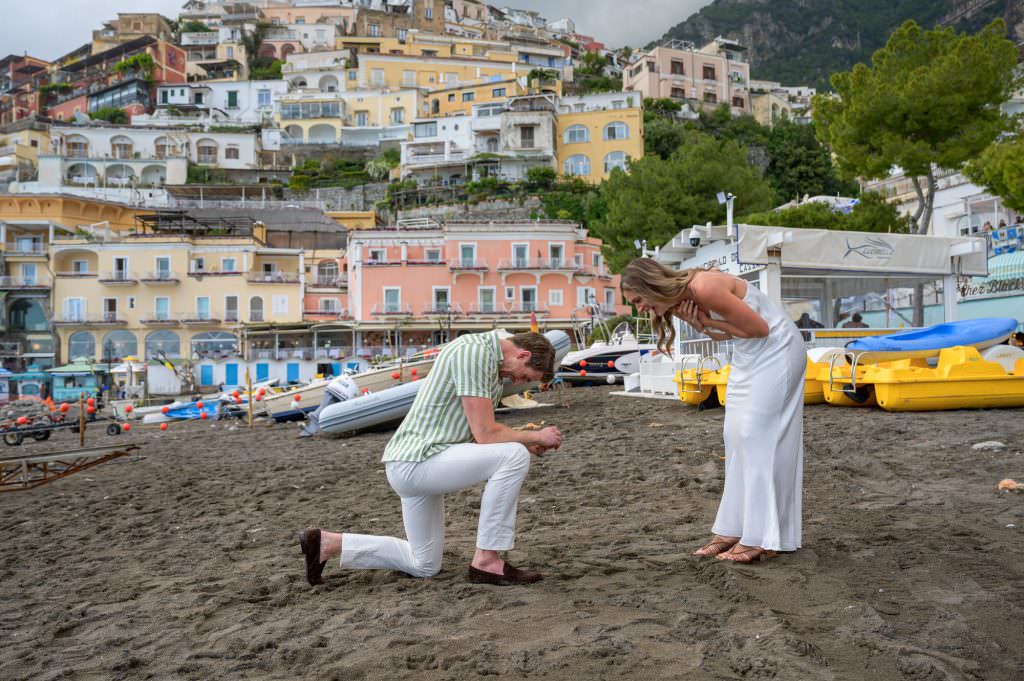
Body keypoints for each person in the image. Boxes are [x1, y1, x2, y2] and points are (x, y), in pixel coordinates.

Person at [299, 331, 563, 586]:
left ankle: (328, 543)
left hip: (416, 461)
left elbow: (475, 436)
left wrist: (525, 440)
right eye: (524, 376)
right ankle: (487, 560)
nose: (517, 382)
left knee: (423, 564)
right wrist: (536, 437)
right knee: (514, 456)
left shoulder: (488, 364)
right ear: (522, 355)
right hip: (419, 460)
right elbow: (485, 434)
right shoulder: (475, 352)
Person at [621, 258, 804, 563]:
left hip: (777, 350)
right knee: (734, 436)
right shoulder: (688, 298)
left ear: (652, 286)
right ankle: (734, 529)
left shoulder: (703, 287)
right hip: (749, 353)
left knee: (755, 436)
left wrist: (707, 322)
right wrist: (703, 326)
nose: (640, 309)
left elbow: (760, 329)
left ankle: (760, 537)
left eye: (639, 300)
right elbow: (730, 335)